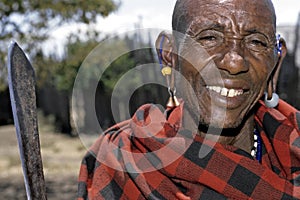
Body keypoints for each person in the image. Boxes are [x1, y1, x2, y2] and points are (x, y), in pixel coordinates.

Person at [77, 0, 300, 199]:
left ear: (276, 62)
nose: (234, 63)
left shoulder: (293, 148)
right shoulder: (121, 160)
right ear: (169, 55)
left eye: (256, 42)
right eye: (210, 37)